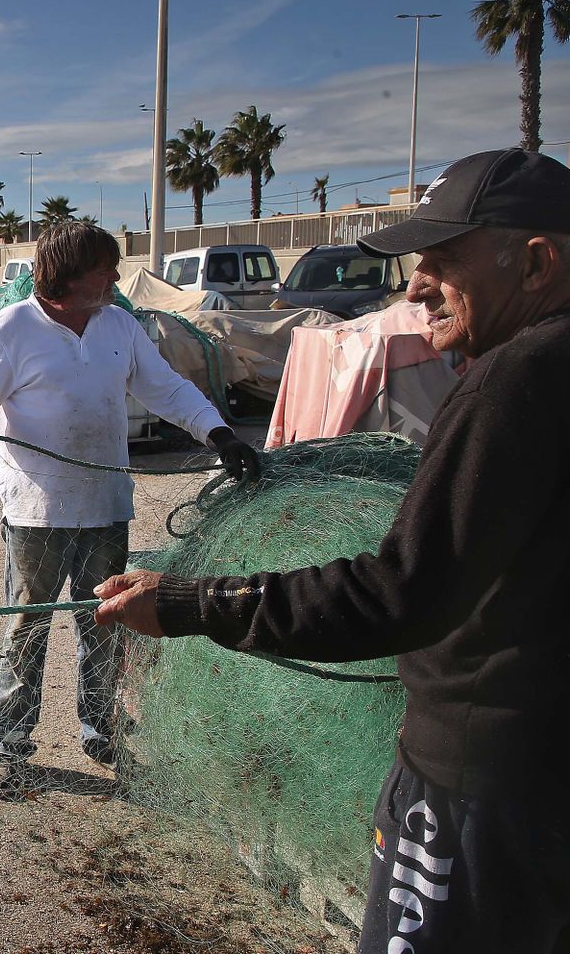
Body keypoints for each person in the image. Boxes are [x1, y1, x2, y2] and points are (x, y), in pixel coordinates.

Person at [95, 148, 570, 953]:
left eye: (442, 263)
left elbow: (400, 592)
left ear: (535, 262)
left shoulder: (514, 380)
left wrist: (185, 602)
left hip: (479, 789)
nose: (416, 287)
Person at [0, 221, 260, 797]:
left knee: (106, 627)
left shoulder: (120, 325)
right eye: (104, 269)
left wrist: (219, 435)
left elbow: (166, 388)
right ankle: (9, 749)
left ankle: (102, 732)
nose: (117, 277)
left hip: (106, 504)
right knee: (27, 627)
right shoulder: (12, 327)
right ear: (66, 275)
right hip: (36, 511)